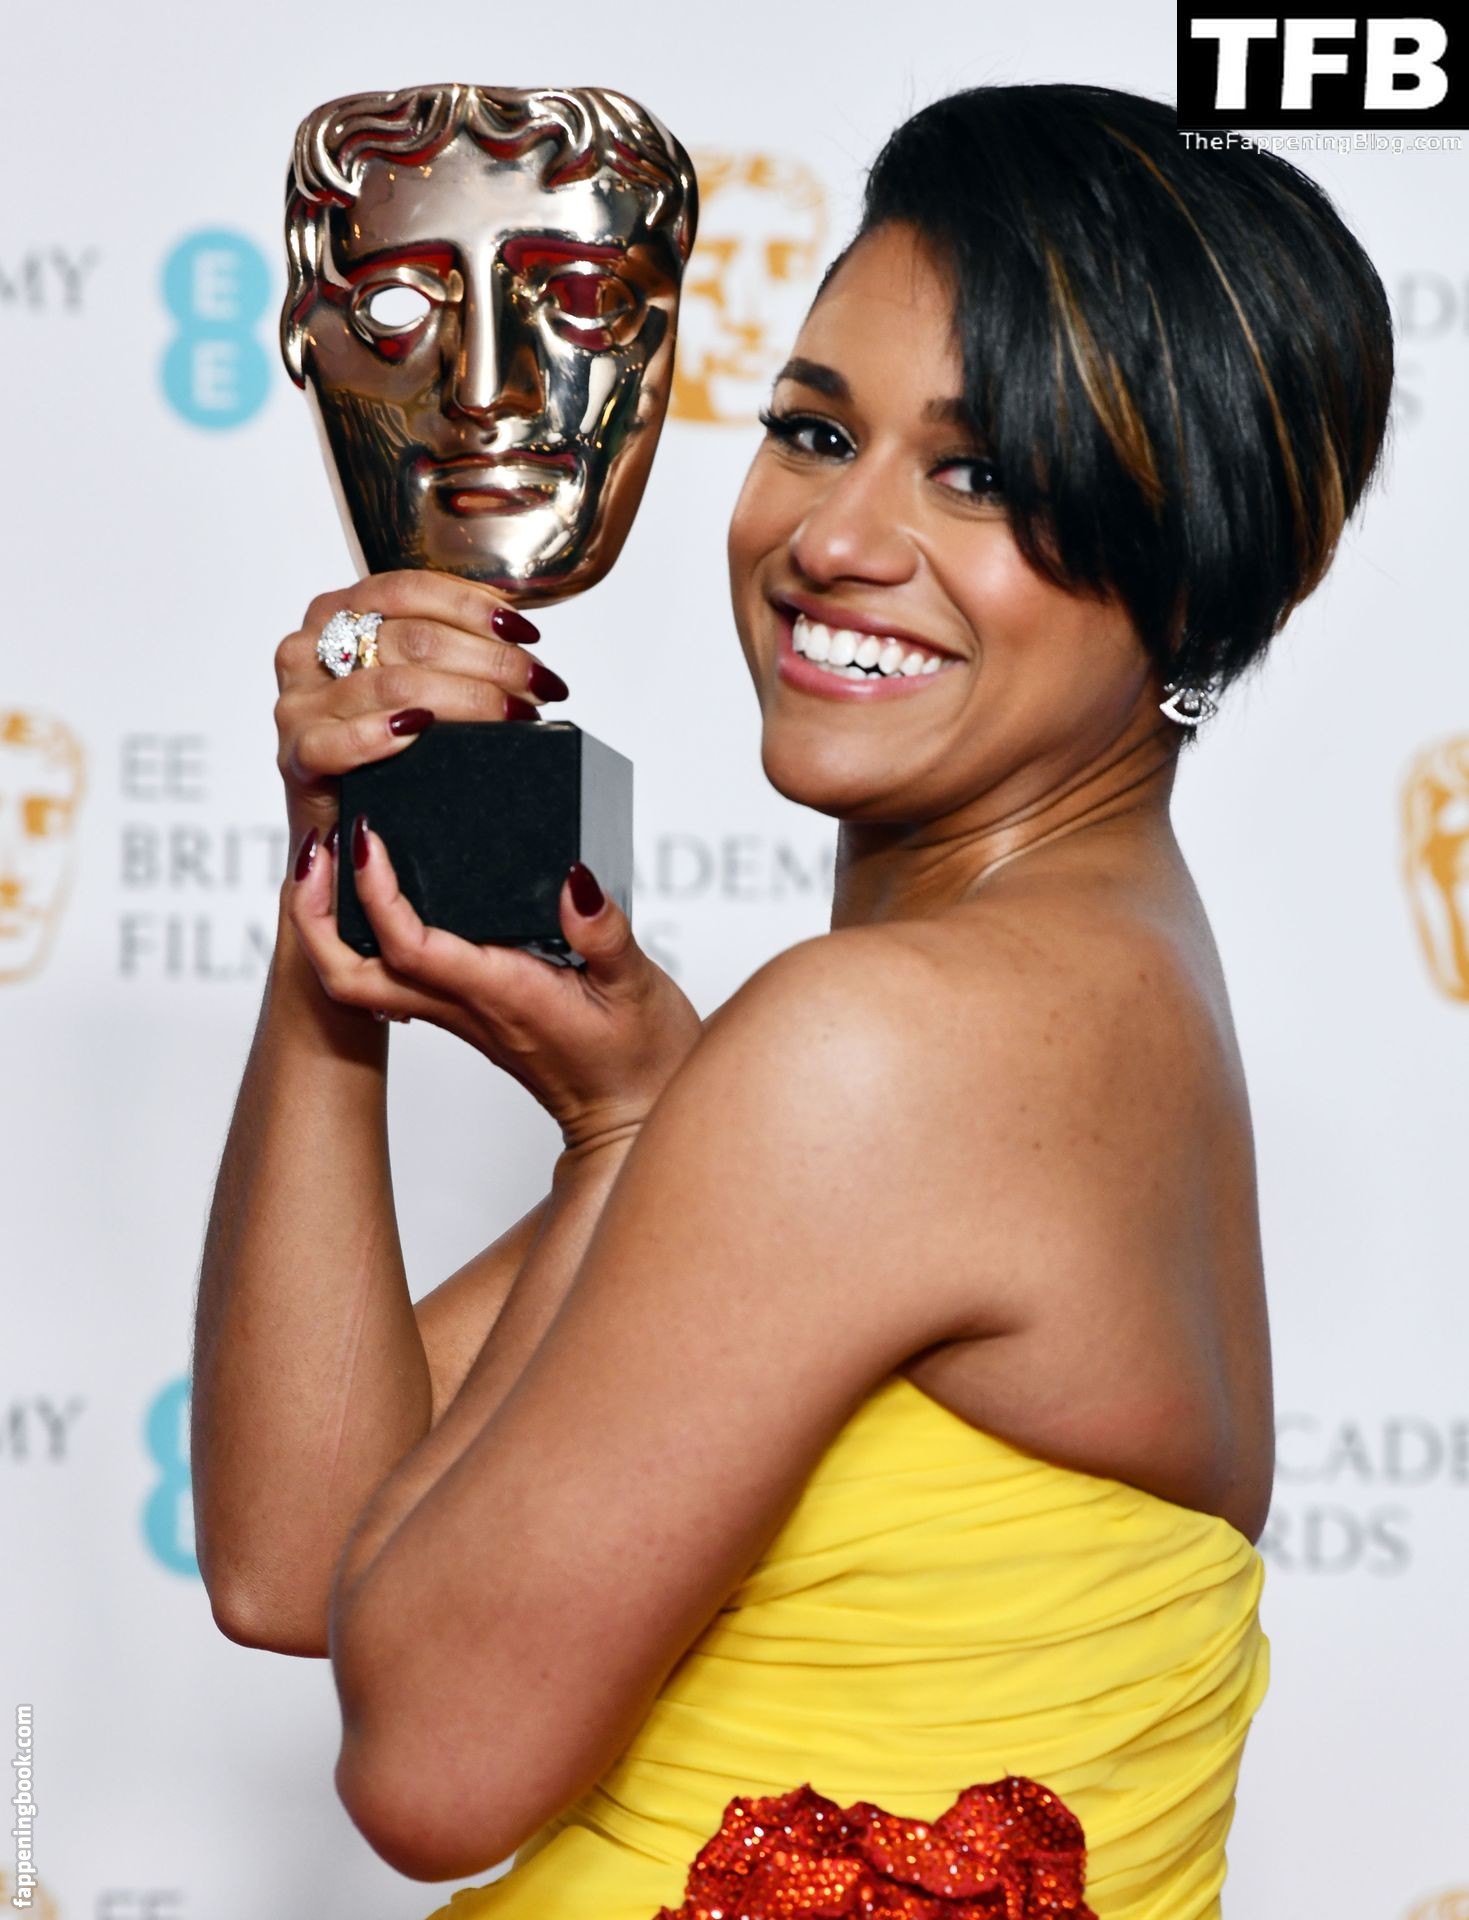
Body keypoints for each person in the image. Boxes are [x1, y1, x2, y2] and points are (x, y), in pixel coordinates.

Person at [190, 82, 1394, 1920]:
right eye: (816, 431)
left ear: (1202, 564)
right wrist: (331, 920)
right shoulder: (1088, 990)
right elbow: (289, 1559)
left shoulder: (888, 1046)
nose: (835, 537)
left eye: (981, 476)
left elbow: (427, 1770)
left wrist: (625, 1133)